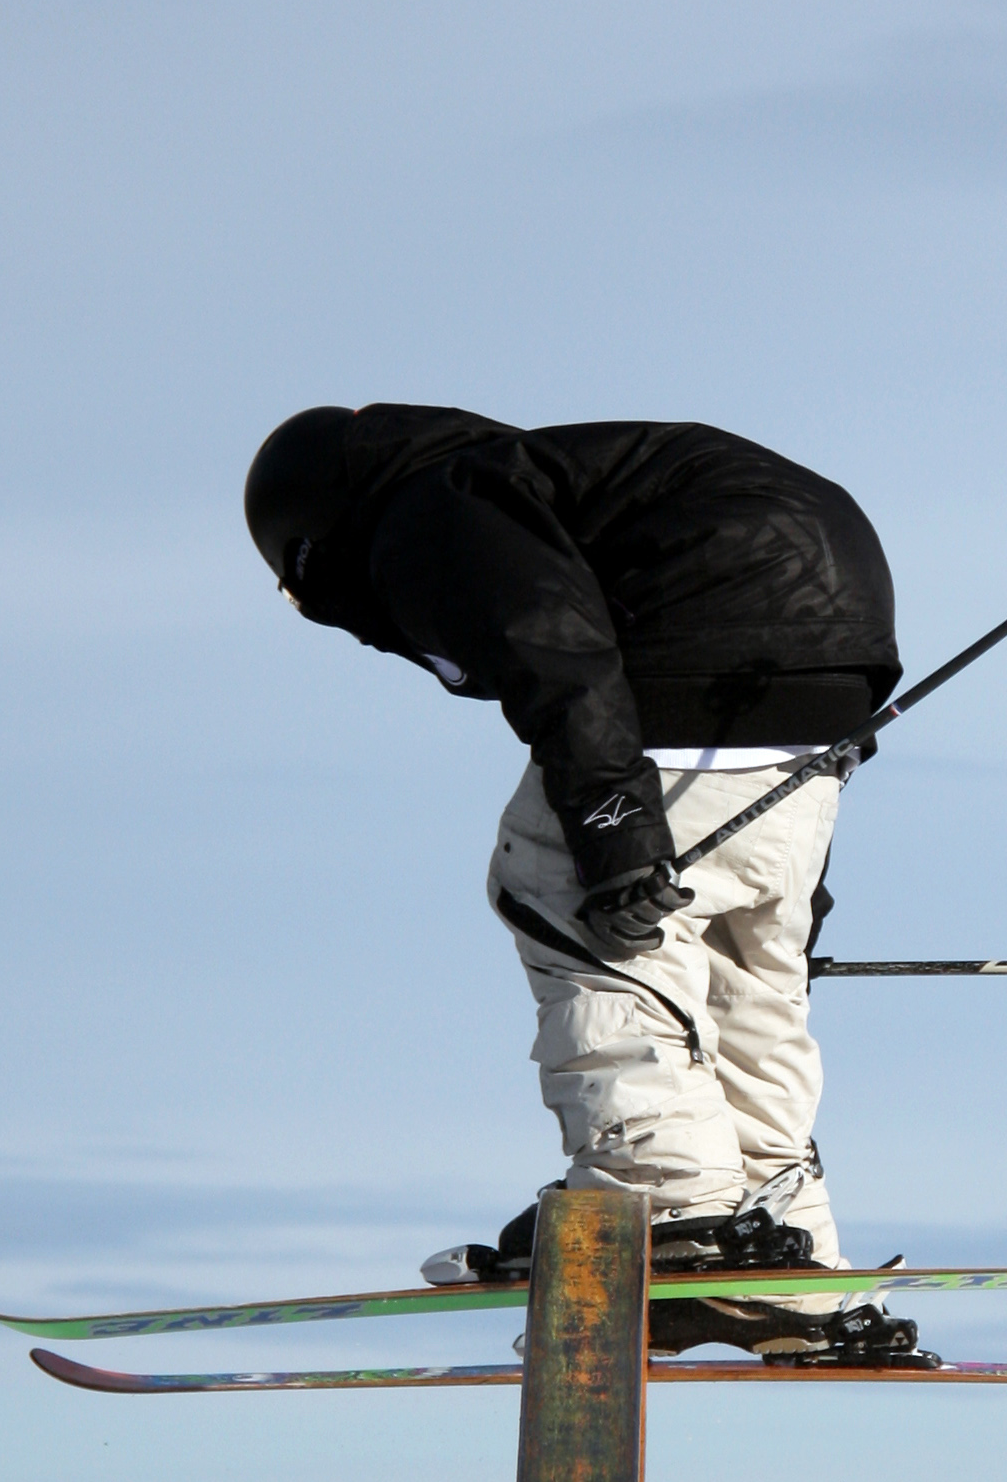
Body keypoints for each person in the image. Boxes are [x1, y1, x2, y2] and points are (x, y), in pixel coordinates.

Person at [243, 402, 930, 1361]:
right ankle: (784, 1242)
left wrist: (611, 823)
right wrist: (793, 891)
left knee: (556, 887)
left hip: (704, 645)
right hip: (825, 660)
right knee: (746, 963)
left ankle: (673, 1212)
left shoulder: (425, 508)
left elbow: (548, 639)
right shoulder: (530, 475)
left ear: (310, 548)